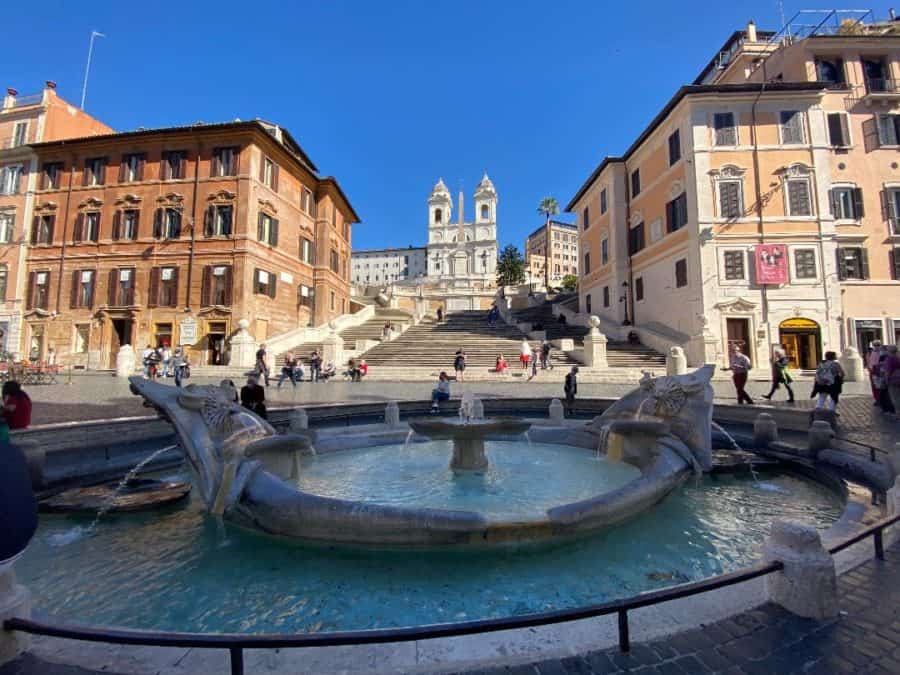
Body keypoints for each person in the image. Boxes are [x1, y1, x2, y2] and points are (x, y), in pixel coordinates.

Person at [883, 345, 900, 416]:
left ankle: (898, 413)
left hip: (893, 380)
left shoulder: (889, 359)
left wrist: (886, 380)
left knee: (895, 397)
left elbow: (888, 371)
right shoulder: (898, 358)